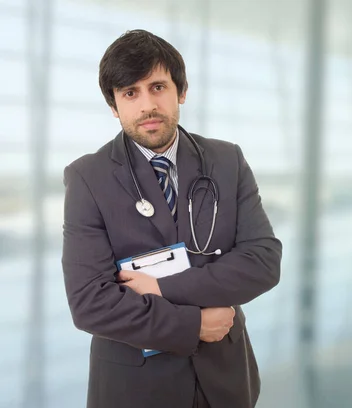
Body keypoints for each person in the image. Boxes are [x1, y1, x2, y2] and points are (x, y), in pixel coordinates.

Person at [61, 29, 282, 408]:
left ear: (181, 91)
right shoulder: (88, 178)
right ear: (114, 105)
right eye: (130, 93)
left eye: (158, 87)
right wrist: (194, 326)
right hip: (135, 387)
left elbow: (262, 262)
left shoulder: (226, 160)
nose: (147, 105)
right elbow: (90, 303)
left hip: (226, 382)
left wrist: (163, 289)